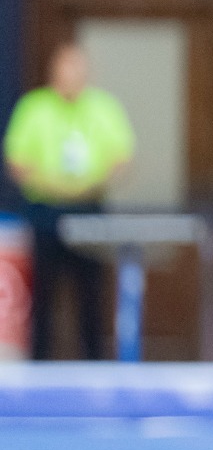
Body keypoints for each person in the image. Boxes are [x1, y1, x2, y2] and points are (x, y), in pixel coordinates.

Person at [3, 41, 133, 360]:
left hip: (89, 209)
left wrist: (89, 183)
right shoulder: (34, 108)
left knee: (91, 297)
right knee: (43, 297)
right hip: (46, 211)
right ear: (54, 72)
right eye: (65, 67)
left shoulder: (104, 107)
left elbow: (123, 158)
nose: (72, 74)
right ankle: (40, 366)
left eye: (77, 67)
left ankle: (95, 365)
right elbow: (16, 160)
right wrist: (52, 183)